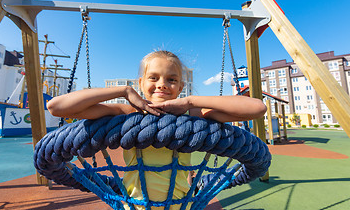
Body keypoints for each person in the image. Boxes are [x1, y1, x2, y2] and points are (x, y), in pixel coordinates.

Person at [47, 50, 267, 210]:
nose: (162, 84)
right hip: (134, 205)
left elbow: (257, 108)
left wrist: (190, 102)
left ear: (180, 87)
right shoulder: (127, 112)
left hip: (180, 205)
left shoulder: (190, 114)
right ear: (141, 83)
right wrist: (123, 90)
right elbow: (56, 107)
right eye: (154, 77)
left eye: (171, 80)